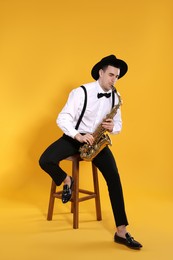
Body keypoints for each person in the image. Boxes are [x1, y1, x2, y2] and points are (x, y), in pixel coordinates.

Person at [39, 54, 142, 250]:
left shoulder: (116, 97)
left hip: (97, 141)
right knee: (45, 160)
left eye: (117, 76)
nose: (114, 80)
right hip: (74, 138)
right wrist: (77, 135)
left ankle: (121, 230)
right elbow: (63, 118)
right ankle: (66, 180)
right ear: (101, 73)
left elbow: (119, 124)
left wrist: (113, 126)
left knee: (114, 177)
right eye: (111, 75)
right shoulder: (80, 92)